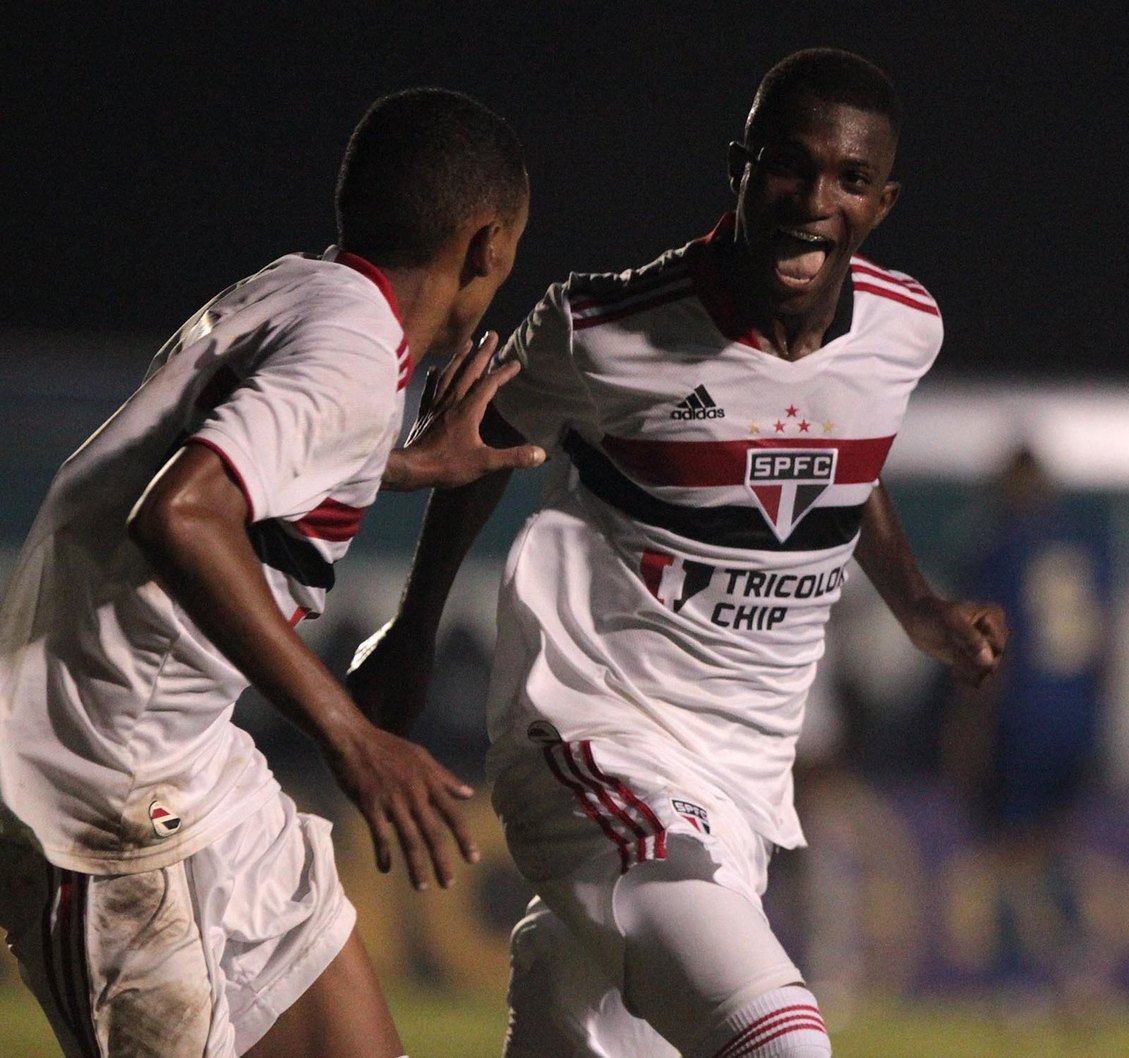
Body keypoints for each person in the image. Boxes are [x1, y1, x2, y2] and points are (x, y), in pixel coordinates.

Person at [350, 49, 1007, 1058]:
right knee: (782, 1041)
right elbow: (478, 452)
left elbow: (840, 453)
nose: (814, 199)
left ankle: (562, 982)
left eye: (850, 179)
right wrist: (413, 624)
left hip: (742, 772)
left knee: (609, 1027)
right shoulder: (604, 330)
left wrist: (917, 602)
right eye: (790, 166)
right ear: (741, 168)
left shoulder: (904, 328)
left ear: (883, 200)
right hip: (595, 736)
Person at [0, 87, 542, 1058]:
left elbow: (224, 460)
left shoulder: (305, 290)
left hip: (196, 767)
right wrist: (348, 731)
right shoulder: (348, 351)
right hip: (104, 793)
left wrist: (409, 462)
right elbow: (180, 509)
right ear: (488, 245)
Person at [941, 445, 1113, 1016]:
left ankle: (1017, 982)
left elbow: (992, 645)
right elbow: (1111, 639)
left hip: (1025, 711)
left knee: (1008, 845)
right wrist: (1099, 715)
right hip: (1077, 709)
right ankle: (1080, 964)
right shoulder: (1087, 544)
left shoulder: (1000, 547)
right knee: (1053, 839)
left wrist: (973, 724)